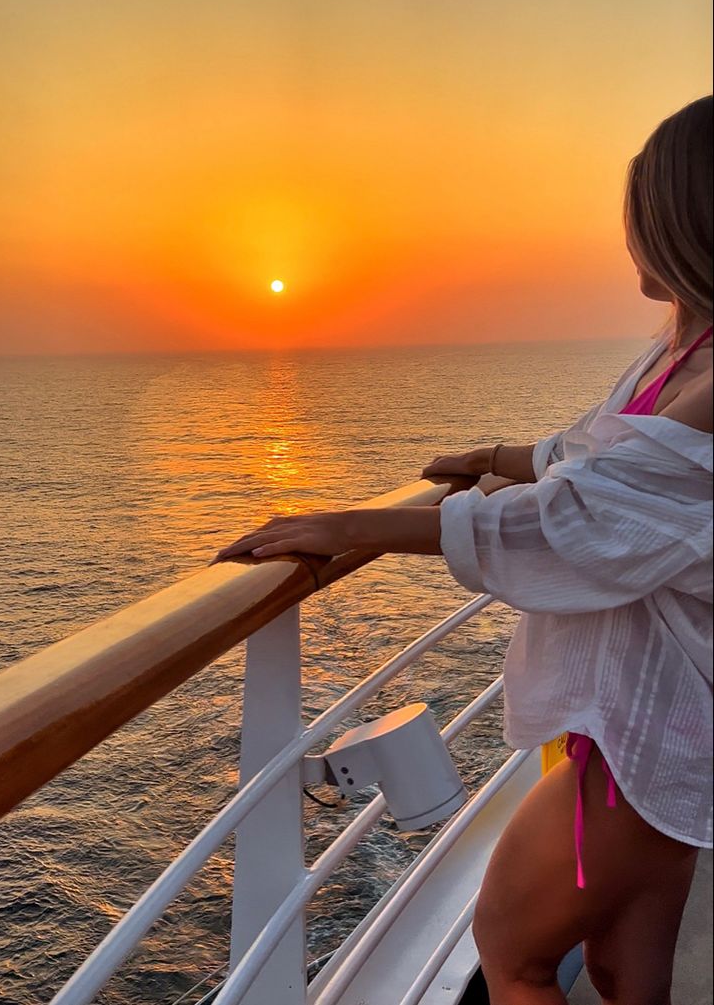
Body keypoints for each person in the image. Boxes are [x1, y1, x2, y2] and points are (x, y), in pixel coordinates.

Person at [216, 95, 713, 1004]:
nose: (630, 238)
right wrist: (496, 458)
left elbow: (575, 519)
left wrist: (353, 524)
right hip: (650, 714)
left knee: (512, 949)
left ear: (688, 221)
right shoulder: (684, 347)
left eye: (642, 216)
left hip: (652, 732)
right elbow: (595, 456)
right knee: (620, 968)